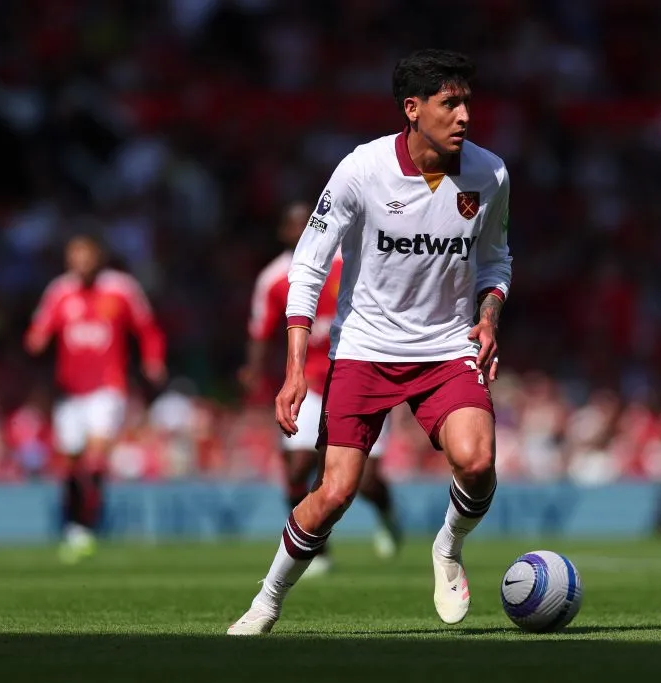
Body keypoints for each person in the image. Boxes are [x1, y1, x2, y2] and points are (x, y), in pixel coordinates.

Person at [228, 48, 511, 635]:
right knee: (334, 493)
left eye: (467, 103)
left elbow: (496, 259)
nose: (464, 116)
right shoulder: (361, 169)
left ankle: (448, 545)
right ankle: (267, 600)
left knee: (478, 462)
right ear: (412, 109)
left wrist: (489, 316)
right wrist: (294, 369)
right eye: (448, 103)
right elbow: (308, 265)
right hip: (364, 349)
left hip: (444, 348)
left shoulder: (490, 174)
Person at [241, 201, 403, 576]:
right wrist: (252, 370)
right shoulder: (274, 279)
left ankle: (387, 512)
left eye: (307, 223)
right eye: (293, 225)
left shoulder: (350, 263)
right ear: (283, 232)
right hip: (310, 384)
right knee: (298, 467)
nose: (301, 231)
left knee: (365, 480)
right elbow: (261, 330)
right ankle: (318, 548)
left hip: (360, 379)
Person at [26, 235, 166, 563]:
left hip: (108, 387)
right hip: (70, 392)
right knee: (72, 463)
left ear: (98, 257)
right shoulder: (59, 292)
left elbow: (146, 328)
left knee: (95, 456)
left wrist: (152, 358)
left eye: (85, 255)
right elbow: (39, 329)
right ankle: (75, 526)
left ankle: (86, 526)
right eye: (74, 256)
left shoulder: (121, 289)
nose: (80, 262)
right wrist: (35, 339)